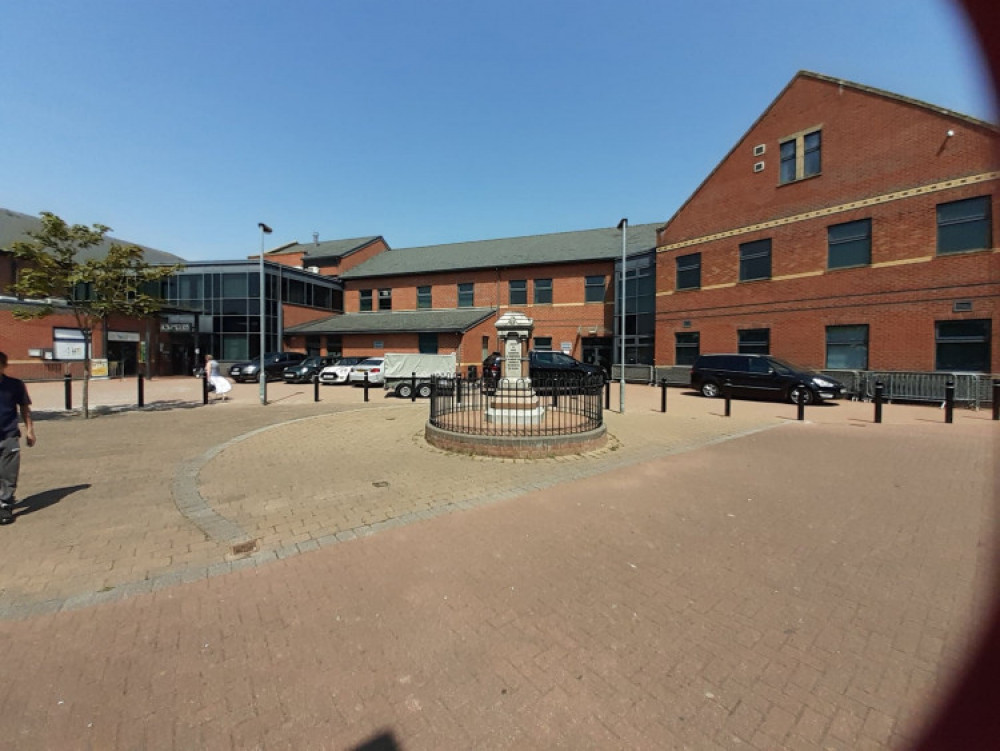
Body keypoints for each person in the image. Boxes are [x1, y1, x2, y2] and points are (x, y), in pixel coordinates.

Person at [0, 351, 36, 525]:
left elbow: (25, 409)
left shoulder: (14, 385)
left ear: (4, 366)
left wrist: (30, 430)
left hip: (9, 435)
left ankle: (5, 504)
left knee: (8, 473)